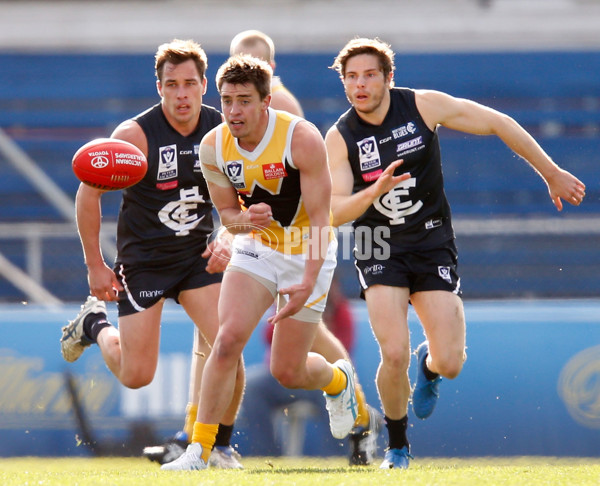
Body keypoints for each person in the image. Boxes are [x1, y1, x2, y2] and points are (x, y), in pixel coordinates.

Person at [325, 37, 586, 469]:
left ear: (389, 78)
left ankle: (428, 367)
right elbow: (334, 211)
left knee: (450, 362)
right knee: (392, 352)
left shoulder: (423, 106)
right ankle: (397, 447)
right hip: (379, 245)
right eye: (351, 77)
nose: (360, 85)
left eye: (369, 74)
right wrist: (373, 191)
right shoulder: (340, 137)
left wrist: (551, 172)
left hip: (430, 241)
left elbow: (498, 122)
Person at [161, 54, 358, 471]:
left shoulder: (301, 139)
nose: (233, 110)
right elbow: (226, 215)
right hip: (257, 247)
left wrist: (308, 280)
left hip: (307, 251)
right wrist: (244, 220)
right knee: (227, 340)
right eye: (227, 99)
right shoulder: (213, 145)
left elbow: (324, 218)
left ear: (266, 101)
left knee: (288, 371)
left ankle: (339, 382)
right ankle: (200, 449)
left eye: (244, 101)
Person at [59, 39, 245, 468]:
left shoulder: (222, 132)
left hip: (198, 257)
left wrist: (230, 240)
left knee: (228, 343)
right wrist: (95, 265)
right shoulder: (134, 136)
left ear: (204, 87)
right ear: (159, 88)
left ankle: (218, 445)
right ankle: (94, 325)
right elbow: (88, 196)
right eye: (172, 84)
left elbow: (243, 196)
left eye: (190, 84)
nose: (181, 94)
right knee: (137, 375)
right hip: (144, 264)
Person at [229, 29, 381, 465]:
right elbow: (236, 187)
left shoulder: (285, 111)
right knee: (223, 336)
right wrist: (229, 231)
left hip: (295, 245)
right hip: (259, 243)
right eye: (238, 59)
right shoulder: (230, 118)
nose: (246, 68)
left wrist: (308, 262)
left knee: (290, 347)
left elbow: (303, 200)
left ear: (270, 69)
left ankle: (360, 420)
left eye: (254, 61)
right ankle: (204, 440)